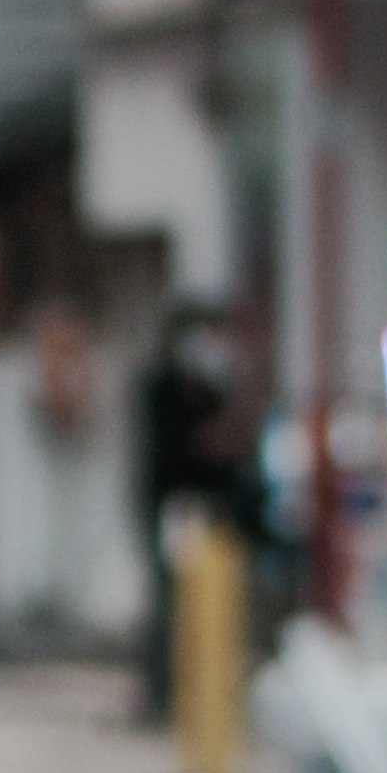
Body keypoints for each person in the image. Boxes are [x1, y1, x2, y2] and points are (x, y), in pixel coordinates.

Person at [134, 305, 237, 724]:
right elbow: (176, 453)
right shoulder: (162, 389)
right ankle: (162, 692)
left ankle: (198, 694)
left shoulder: (207, 392)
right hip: (172, 505)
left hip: (203, 510)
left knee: (203, 604)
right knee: (166, 603)